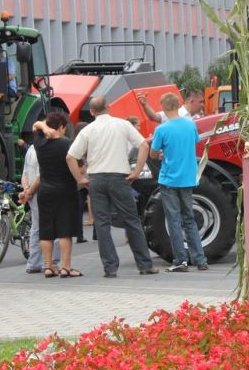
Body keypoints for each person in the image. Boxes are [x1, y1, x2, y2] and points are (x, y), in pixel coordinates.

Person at [66, 96, 159, 278]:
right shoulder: (122, 125)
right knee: (132, 221)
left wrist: (80, 178)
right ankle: (145, 265)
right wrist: (137, 170)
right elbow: (143, 145)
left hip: (96, 179)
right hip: (119, 178)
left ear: (92, 112)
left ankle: (110, 268)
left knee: (102, 224)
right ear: (109, 107)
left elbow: (70, 157)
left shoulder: (88, 130)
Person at [150, 93, 209, 272]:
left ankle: (180, 261)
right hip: (188, 178)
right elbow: (195, 142)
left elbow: (153, 154)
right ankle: (200, 260)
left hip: (169, 179)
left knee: (174, 220)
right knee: (189, 219)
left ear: (165, 108)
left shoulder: (162, 129)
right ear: (177, 105)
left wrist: (161, 154)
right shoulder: (191, 125)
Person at [28, 112, 82, 278]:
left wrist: (43, 127)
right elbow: (78, 167)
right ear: (62, 127)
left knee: (46, 230)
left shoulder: (39, 143)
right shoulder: (68, 145)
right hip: (66, 190)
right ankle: (66, 267)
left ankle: (49, 266)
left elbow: (35, 125)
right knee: (64, 230)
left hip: (45, 190)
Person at [18, 140, 61, 274]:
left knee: (36, 228)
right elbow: (40, 175)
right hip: (43, 192)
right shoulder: (45, 149)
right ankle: (50, 262)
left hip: (33, 194)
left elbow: (24, 173)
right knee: (53, 227)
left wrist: (26, 190)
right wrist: (29, 191)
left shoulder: (31, 148)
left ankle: (33, 263)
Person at [137, 89, 204, 123]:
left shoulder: (197, 117)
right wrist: (145, 105)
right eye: (201, 102)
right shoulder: (175, 113)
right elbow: (154, 117)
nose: (203, 105)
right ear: (192, 101)